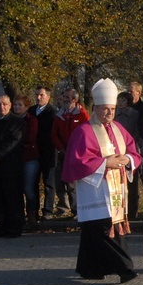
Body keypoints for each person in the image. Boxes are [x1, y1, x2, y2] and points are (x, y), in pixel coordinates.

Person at [62, 78, 141, 283]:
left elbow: (134, 152)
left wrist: (128, 159)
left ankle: (90, 268)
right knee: (104, 230)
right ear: (96, 108)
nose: (109, 113)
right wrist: (105, 163)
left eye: (112, 109)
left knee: (93, 232)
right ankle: (126, 269)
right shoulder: (84, 131)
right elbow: (77, 162)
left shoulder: (118, 129)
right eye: (105, 109)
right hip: (95, 190)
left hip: (116, 189)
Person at [52, 89, 91, 220]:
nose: (65, 99)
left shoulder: (82, 114)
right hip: (63, 152)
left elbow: (86, 133)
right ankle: (64, 207)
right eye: (64, 96)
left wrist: (75, 149)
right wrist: (61, 148)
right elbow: (54, 134)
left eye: (67, 97)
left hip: (76, 153)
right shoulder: (60, 114)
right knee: (60, 181)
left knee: (73, 183)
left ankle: (78, 210)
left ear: (74, 99)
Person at [0, 94, 26, 238]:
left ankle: (15, 228)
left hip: (10, 165)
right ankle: (2, 227)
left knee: (12, 197)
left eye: (5, 104)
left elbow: (13, 142)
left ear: (10, 105)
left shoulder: (17, 121)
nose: (2, 107)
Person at [28, 86, 59, 219]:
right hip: (34, 152)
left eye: (41, 95)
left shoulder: (52, 112)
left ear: (48, 97)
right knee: (33, 182)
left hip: (48, 152)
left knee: (48, 182)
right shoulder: (31, 111)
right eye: (37, 95)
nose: (38, 97)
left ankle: (48, 211)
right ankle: (33, 211)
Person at [13, 96, 39, 228]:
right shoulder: (11, 120)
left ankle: (32, 216)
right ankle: (18, 216)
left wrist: (15, 141)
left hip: (29, 158)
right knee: (16, 189)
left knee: (28, 189)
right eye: (15, 105)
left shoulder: (31, 120)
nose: (17, 107)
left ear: (26, 107)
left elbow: (29, 137)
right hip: (14, 159)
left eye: (20, 105)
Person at [114, 91, 141, 219]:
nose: (120, 102)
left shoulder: (135, 114)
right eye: (119, 99)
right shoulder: (114, 115)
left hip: (132, 149)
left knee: (133, 183)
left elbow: (137, 130)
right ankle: (120, 212)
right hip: (118, 150)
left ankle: (132, 213)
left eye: (123, 99)